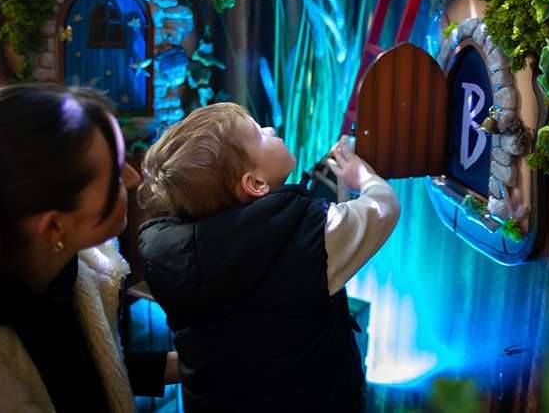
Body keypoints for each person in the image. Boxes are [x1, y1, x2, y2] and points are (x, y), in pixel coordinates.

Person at [0, 82, 178, 412]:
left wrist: (192, 367)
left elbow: (99, 370)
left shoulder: (76, 272)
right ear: (53, 227)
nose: (133, 178)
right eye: (116, 174)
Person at [138, 102, 400, 412]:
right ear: (255, 184)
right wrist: (363, 178)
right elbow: (383, 209)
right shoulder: (308, 236)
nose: (270, 129)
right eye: (259, 134)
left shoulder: (169, 257)